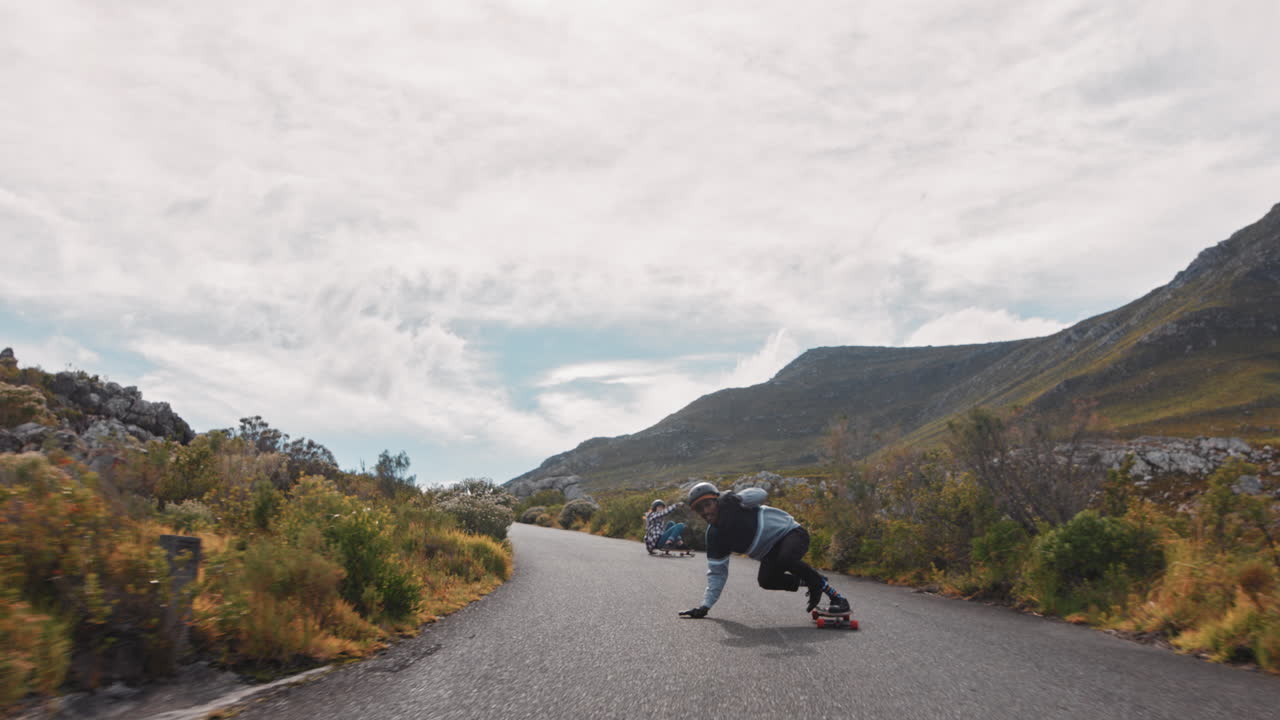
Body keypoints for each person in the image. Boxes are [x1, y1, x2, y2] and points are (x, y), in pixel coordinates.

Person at [678, 482, 848, 619]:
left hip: (790, 533)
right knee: (767, 581)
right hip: (770, 553)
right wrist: (705, 606)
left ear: (717, 500)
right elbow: (717, 574)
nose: (706, 511)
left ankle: (838, 598)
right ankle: (813, 580)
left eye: (708, 504)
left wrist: (738, 497)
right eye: (699, 509)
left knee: (786, 559)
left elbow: (761, 493)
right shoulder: (714, 537)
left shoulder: (734, 504)